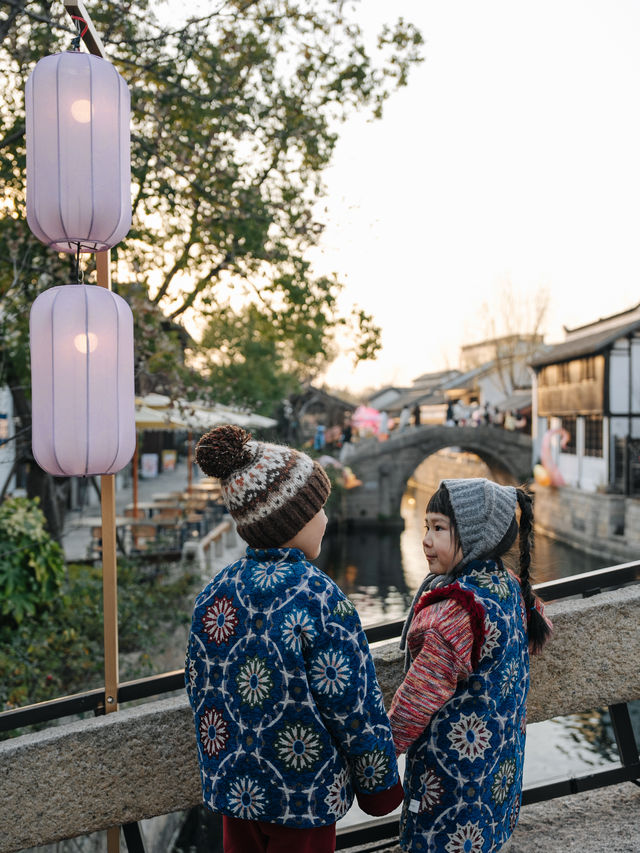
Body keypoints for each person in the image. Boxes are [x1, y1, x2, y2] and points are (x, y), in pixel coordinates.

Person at [185, 425, 403, 853]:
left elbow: (200, 686)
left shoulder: (215, 593)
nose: (326, 518)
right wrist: (380, 787)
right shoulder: (318, 596)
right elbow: (353, 702)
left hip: (235, 788)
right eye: (317, 508)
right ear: (292, 519)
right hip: (303, 795)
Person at [389, 478, 552, 853]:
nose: (426, 539)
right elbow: (539, 623)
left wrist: (376, 761)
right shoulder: (511, 586)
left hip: (450, 780)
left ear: (476, 535)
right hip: (499, 767)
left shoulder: (455, 612)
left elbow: (415, 703)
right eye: (426, 526)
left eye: (439, 528)